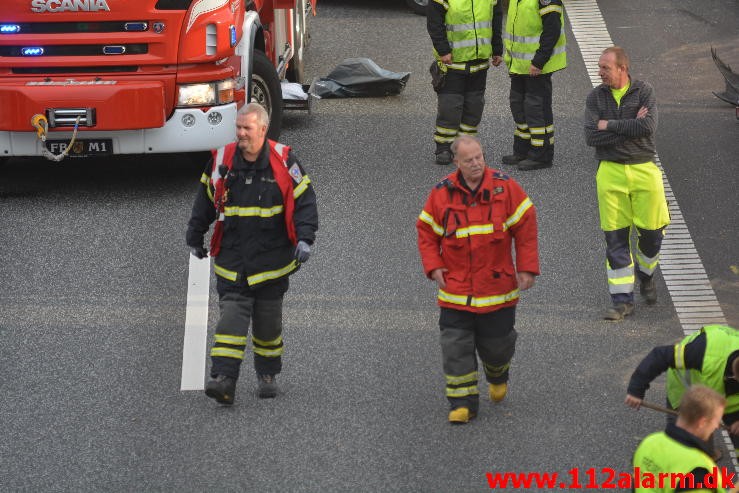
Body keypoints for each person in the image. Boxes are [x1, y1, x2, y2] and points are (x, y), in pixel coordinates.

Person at [186, 103, 318, 405]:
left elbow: (305, 201)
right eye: (238, 128)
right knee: (231, 319)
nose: (241, 133)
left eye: (247, 128)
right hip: (233, 259)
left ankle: (267, 373)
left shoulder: (285, 162)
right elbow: (204, 200)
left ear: (263, 129)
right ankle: (223, 379)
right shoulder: (222, 160)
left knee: (268, 323)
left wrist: (306, 239)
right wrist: (195, 235)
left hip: (272, 262)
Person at [416, 135, 539, 424]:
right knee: (454, 346)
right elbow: (426, 231)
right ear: (456, 162)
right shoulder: (441, 194)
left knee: (497, 347)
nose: (476, 164)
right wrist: (433, 266)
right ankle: (461, 402)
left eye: (479, 157)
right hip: (456, 292)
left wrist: (527, 268)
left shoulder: (505, 188)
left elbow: (526, 228)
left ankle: (497, 373)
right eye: (469, 160)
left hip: (498, 291)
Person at [584, 46, 670, 321]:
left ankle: (646, 275)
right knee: (616, 240)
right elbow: (590, 137)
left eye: (605, 68)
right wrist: (630, 124)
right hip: (610, 173)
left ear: (622, 69)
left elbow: (648, 128)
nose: (600, 72)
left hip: (644, 170)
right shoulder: (595, 97)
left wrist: (608, 125)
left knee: (653, 235)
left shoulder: (645, 91)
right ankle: (622, 301)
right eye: (599, 67)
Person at [626, 325, 739, 451]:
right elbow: (660, 356)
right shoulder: (702, 352)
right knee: (687, 440)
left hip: (729, 398)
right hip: (688, 392)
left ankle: (705, 451)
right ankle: (700, 455)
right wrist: (636, 389)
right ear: (734, 376)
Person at [427, 0, 503, 165]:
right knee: (450, 108)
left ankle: (464, 146)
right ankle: (444, 147)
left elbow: (496, 19)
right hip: (453, 63)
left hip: (479, 64)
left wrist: (497, 49)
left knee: (474, 107)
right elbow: (434, 23)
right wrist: (443, 50)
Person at [501, 0, 567, 171]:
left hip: (537, 66)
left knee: (536, 109)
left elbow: (552, 30)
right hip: (519, 64)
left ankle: (541, 155)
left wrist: (539, 60)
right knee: (518, 106)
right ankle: (522, 150)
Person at [632, 385, 728, 493]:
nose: (717, 426)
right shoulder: (699, 471)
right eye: (717, 421)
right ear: (702, 422)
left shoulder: (649, 442)